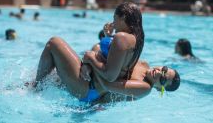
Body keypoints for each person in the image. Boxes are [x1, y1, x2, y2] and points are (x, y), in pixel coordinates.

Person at [32, 37, 180, 103]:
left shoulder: (145, 88)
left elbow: (108, 84)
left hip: (88, 91)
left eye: (162, 79)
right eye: (164, 69)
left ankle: (35, 87)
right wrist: (88, 65)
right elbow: (100, 50)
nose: (160, 73)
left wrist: (91, 60)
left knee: (54, 43)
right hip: (89, 79)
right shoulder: (143, 63)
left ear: (159, 89)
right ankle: (37, 85)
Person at [80, 2, 144, 82]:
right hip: (109, 90)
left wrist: (90, 57)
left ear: (123, 18)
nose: (113, 24)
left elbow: (110, 76)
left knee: (58, 43)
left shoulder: (122, 37)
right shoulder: (137, 39)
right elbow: (118, 61)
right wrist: (108, 36)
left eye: (114, 18)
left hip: (95, 86)